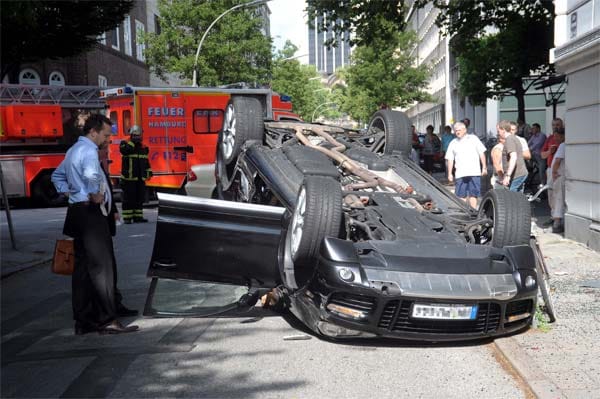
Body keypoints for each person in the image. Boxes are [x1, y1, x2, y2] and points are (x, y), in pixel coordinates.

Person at [51, 114, 139, 335]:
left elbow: (56, 176)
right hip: (90, 214)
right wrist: (93, 194)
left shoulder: (72, 150)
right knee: (102, 268)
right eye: (106, 135)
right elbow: (91, 175)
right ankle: (107, 320)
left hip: (76, 212)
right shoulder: (89, 150)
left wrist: (70, 192)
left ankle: (84, 320)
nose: (107, 139)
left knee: (82, 269)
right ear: (93, 132)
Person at [99, 141, 139, 318]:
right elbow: (60, 177)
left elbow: (106, 188)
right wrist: (79, 196)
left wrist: (113, 210)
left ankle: (114, 304)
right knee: (101, 269)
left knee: (108, 267)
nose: (108, 154)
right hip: (92, 218)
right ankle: (106, 313)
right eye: (105, 149)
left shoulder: (99, 165)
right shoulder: (84, 156)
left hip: (103, 218)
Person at [445, 121, 487, 208]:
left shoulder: (473, 139)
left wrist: (484, 167)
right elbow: (450, 159)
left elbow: (481, 153)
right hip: (460, 173)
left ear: (465, 130)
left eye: (459, 130)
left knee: (473, 194)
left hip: (474, 172)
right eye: (456, 130)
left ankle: (473, 212)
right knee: (461, 195)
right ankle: (463, 212)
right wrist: (449, 173)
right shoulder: (453, 142)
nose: (457, 132)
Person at [120, 125, 152, 224]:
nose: (138, 138)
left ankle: (138, 217)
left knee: (139, 198)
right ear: (131, 135)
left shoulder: (144, 147)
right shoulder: (125, 144)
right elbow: (125, 151)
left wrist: (149, 171)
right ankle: (127, 217)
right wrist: (132, 142)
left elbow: (146, 161)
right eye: (135, 136)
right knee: (129, 199)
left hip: (140, 178)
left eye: (139, 136)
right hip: (129, 178)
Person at [541, 118, 564, 222]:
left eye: (558, 125)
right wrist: (550, 151)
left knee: (560, 192)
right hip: (551, 169)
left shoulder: (565, 138)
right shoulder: (550, 138)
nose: (556, 127)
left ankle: (559, 216)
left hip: (562, 169)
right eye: (554, 125)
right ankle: (553, 215)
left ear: (562, 125)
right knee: (551, 192)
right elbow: (542, 155)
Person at [497, 120, 528, 192]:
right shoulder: (513, 138)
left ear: (503, 130)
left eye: (499, 131)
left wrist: (508, 176)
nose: (498, 133)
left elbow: (513, 157)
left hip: (517, 175)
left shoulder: (509, 139)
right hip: (519, 174)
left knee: (511, 198)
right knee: (518, 198)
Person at [550, 128, 566, 233]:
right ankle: (557, 221)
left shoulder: (562, 145)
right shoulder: (563, 145)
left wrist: (554, 172)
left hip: (559, 176)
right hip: (561, 175)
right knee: (558, 198)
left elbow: (558, 160)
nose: (555, 139)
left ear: (562, 136)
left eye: (557, 136)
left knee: (558, 198)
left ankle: (557, 222)